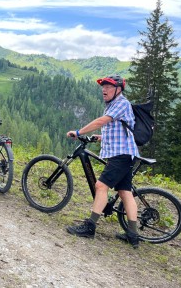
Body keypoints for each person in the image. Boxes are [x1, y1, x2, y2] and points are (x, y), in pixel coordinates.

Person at [65, 74, 140, 248]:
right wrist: (100, 137)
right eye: (103, 87)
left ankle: (90, 227)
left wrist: (79, 132)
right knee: (125, 192)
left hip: (121, 155)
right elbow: (117, 129)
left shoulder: (121, 103)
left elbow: (102, 121)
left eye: (108, 87)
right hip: (124, 153)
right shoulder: (113, 105)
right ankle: (133, 234)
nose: (104, 90)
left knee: (100, 186)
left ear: (118, 89)